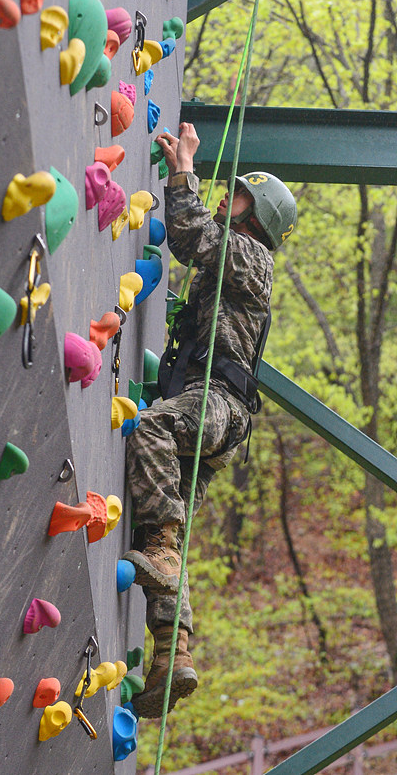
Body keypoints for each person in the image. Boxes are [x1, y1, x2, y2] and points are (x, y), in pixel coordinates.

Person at [123, 123, 297, 718]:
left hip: (217, 403)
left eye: (240, 198)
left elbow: (192, 233)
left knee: (150, 431)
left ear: (259, 218)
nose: (229, 200)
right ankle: (174, 653)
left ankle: (167, 557)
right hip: (215, 410)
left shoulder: (250, 257)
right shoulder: (239, 261)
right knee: (162, 524)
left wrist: (182, 170)